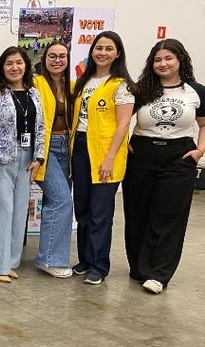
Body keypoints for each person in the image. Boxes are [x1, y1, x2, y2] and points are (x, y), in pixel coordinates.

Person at [124, 39, 205, 294]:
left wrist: (200, 151)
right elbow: (121, 118)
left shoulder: (195, 91)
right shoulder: (142, 90)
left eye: (168, 58)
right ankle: (139, 267)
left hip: (179, 156)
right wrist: (124, 142)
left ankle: (159, 274)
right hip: (142, 154)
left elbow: (204, 124)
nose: (163, 63)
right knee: (137, 213)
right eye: (157, 59)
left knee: (168, 215)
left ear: (180, 59)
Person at [70, 31, 135, 285]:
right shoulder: (84, 81)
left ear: (118, 53)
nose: (103, 53)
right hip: (81, 150)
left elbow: (123, 124)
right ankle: (85, 259)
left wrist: (109, 159)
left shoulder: (121, 85)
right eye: (99, 48)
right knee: (83, 209)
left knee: (100, 213)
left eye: (109, 49)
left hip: (106, 153)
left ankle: (99, 265)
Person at [0, 47, 45, 283]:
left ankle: (9, 263)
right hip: (1, 159)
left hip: (27, 159)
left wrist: (39, 157)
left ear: (26, 66)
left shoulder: (34, 93)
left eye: (19, 63)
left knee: (19, 213)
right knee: (1, 211)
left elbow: (40, 127)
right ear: (2, 67)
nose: (14, 67)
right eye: (9, 63)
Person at [32, 41, 75, 278]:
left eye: (62, 56)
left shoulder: (72, 86)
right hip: (45, 148)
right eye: (52, 56)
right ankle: (49, 259)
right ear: (44, 58)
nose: (57, 60)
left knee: (58, 201)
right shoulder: (35, 83)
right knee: (61, 200)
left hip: (66, 147)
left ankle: (55, 256)